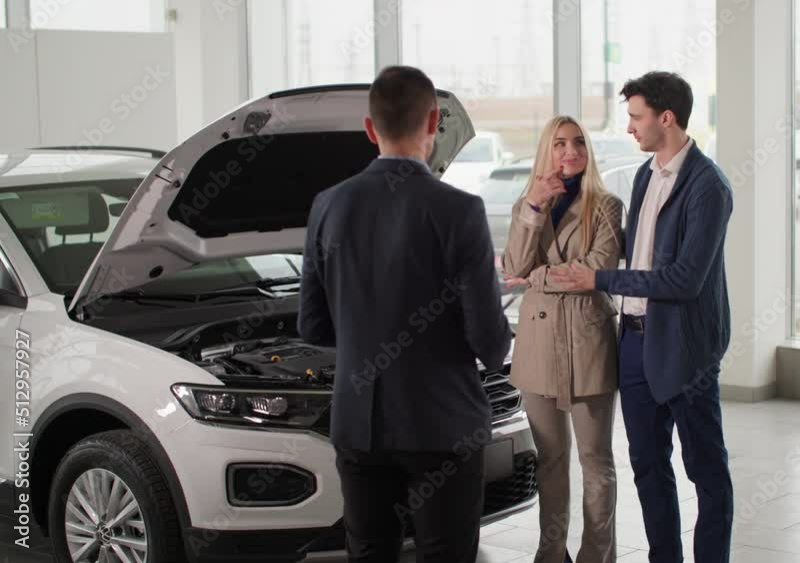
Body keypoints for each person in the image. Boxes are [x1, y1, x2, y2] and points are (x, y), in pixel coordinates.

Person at [298, 65, 513, 563]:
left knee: (370, 552)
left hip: (359, 424)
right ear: (434, 121)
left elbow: (313, 326)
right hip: (442, 426)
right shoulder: (460, 210)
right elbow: (489, 341)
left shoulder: (327, 205)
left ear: (369, 129)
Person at [548, 72, 735, 563]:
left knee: (706, 471)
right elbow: (636, 252)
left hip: (685, 347)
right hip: (632, 345)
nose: (629, 127)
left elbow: (683, 280)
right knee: (648, 467)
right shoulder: (645, 175)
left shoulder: (708, 187)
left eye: (636, 117)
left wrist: (599, 279)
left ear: (665, 118)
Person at [502, 115, 624, 563]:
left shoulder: (606, 206)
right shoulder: (527, 204)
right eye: (559, 144)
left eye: (577, 143)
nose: (570, 151)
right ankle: (550, 553)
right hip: (538, 345)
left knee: (596, 461)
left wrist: (537, 277)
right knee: (550, 459)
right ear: (546, 151)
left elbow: (596, 269)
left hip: (588, 341)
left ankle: (597, 555)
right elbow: (513, 266)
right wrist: (535, 207)